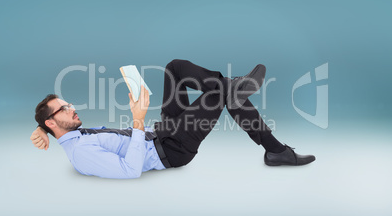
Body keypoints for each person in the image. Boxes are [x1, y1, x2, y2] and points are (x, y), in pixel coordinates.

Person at [31, 59, 315, 179]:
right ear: (53, 122)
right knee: (221, 97)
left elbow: (57, 128)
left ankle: (232, 87)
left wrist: (42, 130)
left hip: (163, 130)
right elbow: (130, 170)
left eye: (68, 104)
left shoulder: (72, 136)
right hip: (172, 149)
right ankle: (276, 150)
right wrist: (138, 119)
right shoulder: (80, 153)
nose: (72, 108)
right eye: (64, 108)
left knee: (174, 68)